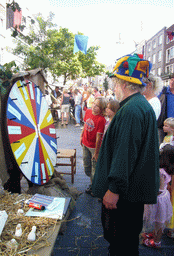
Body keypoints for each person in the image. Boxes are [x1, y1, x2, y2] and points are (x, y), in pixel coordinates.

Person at [92, 53, 160, 256]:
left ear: (123, 82)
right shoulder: (139, 105)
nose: (113, 87)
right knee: (127, 241)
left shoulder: (131, 110)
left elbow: (125, 154)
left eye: (115, 82)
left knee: (121, 243)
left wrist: (114, 189)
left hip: (125, 195)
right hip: (132, 192)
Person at [142, 145, 174, 248]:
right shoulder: (169, 169)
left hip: (158, 199)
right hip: (163, 197)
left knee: (159, 222)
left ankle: (156, 242)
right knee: (158, 220)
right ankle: (155, 233)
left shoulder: (161, 172)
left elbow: (158, 190)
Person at [80, 97, 106, 196]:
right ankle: (93, 184)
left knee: (94, 169)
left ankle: (95, 187)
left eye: (97, 106)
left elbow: (99, 137)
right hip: (85, 143)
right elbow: (85, 125)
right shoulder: (88, 112)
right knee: (87, 167)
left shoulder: (101, 119)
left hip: (94, 147)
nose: (94, 107)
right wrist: (81, 135)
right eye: (94, 104)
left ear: (102, 109)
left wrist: (96, 152)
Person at [158, 74, 174, 143]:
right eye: (171, 80)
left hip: (173, 126)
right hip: (163, 126)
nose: (172, 83)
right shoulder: (163, 91)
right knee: (161, 147)